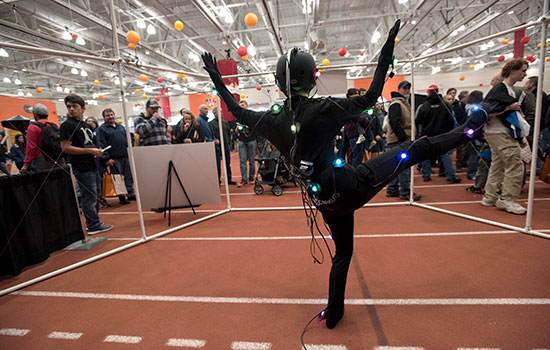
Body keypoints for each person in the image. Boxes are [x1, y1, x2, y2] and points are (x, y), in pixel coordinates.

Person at [201, 19, 489, 329]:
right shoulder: (324, 108)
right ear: (313, 78)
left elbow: (236, 110)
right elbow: (370, 97)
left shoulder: (272, 120)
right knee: (413, 150)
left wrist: (216, 77)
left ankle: (333, 313)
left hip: (324, 201)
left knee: (342, 253)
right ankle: (469, 132)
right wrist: (387, 49)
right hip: (352, 185)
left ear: (278, 82)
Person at [481, 58, 530, 215]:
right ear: (512, 70)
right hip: (499, 132)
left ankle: (490, 196)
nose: (525, 74)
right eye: (522, 70)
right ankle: (508, 199)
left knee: (498, 164)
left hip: (497, 133)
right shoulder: (502, 89)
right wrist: (508, 107)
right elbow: (486, 111)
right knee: (515, 165)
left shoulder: (506, 90)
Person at [60, 94, 113, 235]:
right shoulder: (67, 125)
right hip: (81, 166)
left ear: (83, 108)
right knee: (89, 196)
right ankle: (93, 224)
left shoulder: (85, 126)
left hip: (92, 165)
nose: (71, 109)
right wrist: (90, 150)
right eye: (69, 107)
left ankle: (94, 222)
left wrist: (96, 151)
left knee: (95, 196)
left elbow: (89, 144)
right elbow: (65, 147)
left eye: (75, 106)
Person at [416, 84, 461, 183]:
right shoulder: (445, 105)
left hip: (427, 134)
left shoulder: (424, 106)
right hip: (442, 134)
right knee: (445, 155)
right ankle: (450, 175)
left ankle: (426, 175)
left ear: (428, 92)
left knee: (426, 156)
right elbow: (451, 120)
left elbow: (418, 120)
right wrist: (447, 131)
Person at [385, 80, 422, 200]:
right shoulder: (397, 104)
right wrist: (403, 138)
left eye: (408, 88)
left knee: (396, 166)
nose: (406, 90)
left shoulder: (403, 103)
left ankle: (392, 189)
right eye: (404, 88)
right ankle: (405, 191)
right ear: (399, 89)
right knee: (404, 166)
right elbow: (394, 122)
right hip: (400, 140)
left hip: (398, 139)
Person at [97, 108, 136, 205]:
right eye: (107, 115)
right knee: (117, 178)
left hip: (125, 155)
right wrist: (107, 158)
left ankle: (130, 193)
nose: (110, 117)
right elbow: (101, 144)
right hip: (114, 158)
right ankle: (122, 196)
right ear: (104, 117)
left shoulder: (121, 127)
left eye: (111, 114)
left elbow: (128, 139)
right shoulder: (101, 129)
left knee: (128, 176)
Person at [21, 103, 64, 172]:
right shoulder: (55, 126)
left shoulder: (32, 127)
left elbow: (31, 147)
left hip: (42, 159)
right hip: (59, 158)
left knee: (46, 181)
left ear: (35, 114)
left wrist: (26, 164)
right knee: (60, 180)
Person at [210, 107, 236, 185]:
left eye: (221, 112)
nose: (220, 113)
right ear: (214, 113)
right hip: (217, 146)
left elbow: (228, 133)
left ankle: (229, 178)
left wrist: (229, 143)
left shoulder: (225, 122)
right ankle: (218, 180)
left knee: (227, 163)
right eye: (218, 112)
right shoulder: (211, 123)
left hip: (226, 146)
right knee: (217, 164)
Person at [236, 100, 257, 187]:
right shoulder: (238, 117)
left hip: (251, 140)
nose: (241, 106)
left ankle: (251, 178)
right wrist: (237, 130)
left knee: (252, 161)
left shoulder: (250, 116)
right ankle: (243, 179)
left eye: (243, 105)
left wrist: (248, 128)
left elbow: (255, 128)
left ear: (246, 106)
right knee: (242, 161)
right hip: (241, 141)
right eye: (240, 105)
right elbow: (236, 131)